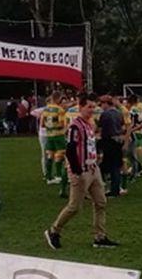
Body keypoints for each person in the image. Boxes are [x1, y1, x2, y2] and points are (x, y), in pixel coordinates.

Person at [45, 93, 119, 249]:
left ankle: (100, 237)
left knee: (101, 202)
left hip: (93, 168)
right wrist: (77, 171)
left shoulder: (89, 124)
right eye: (89, 107)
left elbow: (90, 144)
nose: (92, 110)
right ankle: (54, 230)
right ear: (81, 107)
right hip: (81, 170)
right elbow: (70, 149)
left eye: (94, 107)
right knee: (74, 207)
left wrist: (97, 156)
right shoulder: (75, 126)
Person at [37, 94, 68, 186]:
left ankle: (49, 177)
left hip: (49, 135)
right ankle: (58, 175)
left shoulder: (45, 110)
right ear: (58, 99)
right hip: (58, 135)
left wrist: (50, 126)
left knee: (49, 155)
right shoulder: (59, 110)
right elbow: (62, 124)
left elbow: (42, 124)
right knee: (60, 155)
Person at [99, 95, 126, 197]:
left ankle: (113, 190)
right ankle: (116, 188)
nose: (101, 106)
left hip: (108, 141)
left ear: (106, 103)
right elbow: (123, 126)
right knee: (117, 166)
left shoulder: (105, 114)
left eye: (102, 104)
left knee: (108, 166)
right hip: (118, 140)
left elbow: (101, 128)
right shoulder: (119, 113)